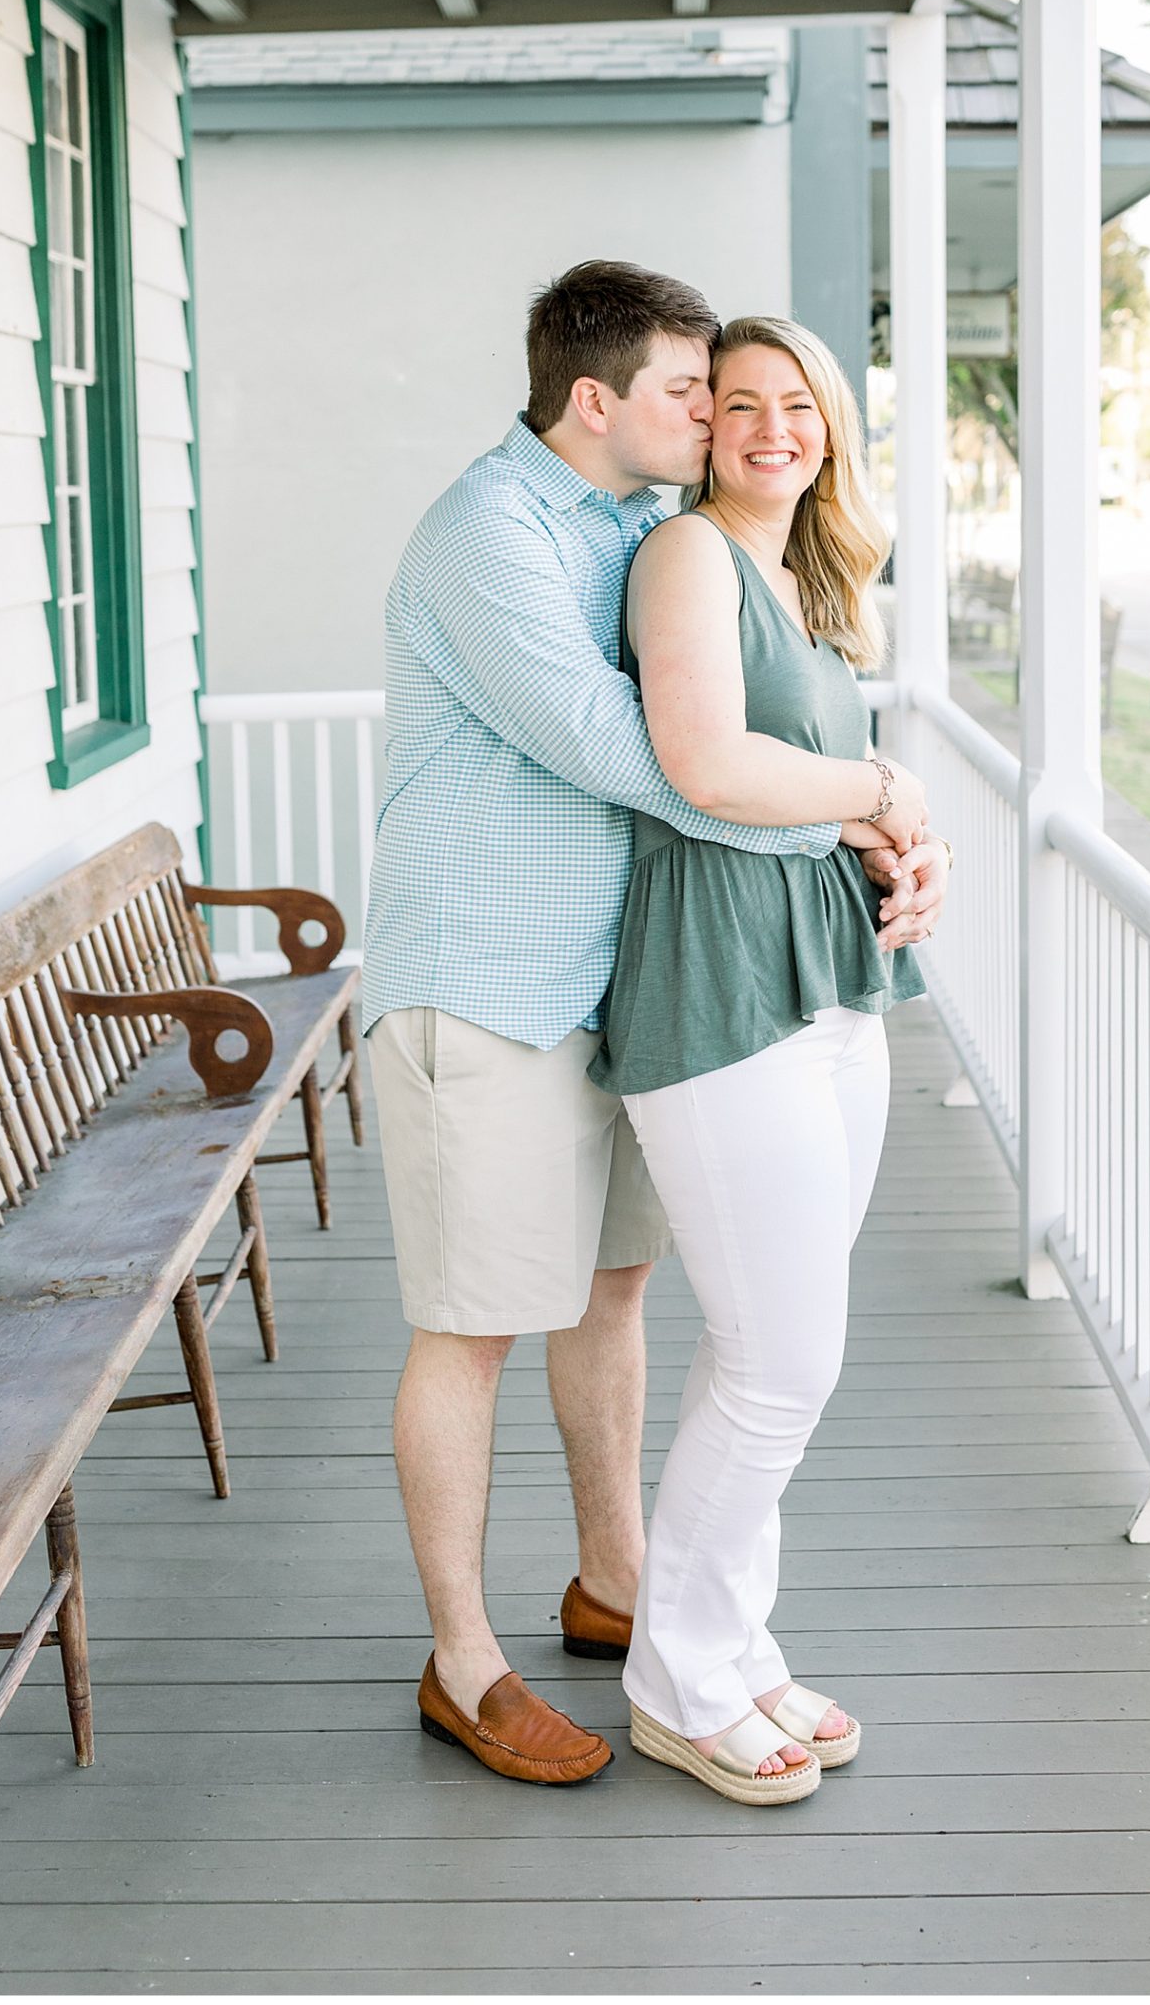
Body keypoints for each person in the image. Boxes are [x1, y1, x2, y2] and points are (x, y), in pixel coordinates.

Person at [361, 261, 947, 1787]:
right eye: (695, 391)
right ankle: (462, 1659)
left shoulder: (638, 523)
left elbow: (768, 704)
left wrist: (867, 815)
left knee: (613, 1301)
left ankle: (622, 1585)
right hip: (483, 988)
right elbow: (652, 758)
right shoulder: (485, 532)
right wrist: (861, 816)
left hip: (623, 983)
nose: (719, 417)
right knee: (472, 1328)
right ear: (594, 400)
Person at [588, 313, 947, 1806]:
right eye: (734, 403)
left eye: (794, 404)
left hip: (824, 978)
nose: (766, 428)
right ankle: (674, 1679)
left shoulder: (805, 582)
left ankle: (728, 1644)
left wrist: (905, 850)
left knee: (765, 1350)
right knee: (782, 1359)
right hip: (720, 980)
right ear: (698, 427)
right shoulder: (685, 560)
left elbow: (813, 793)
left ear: (829, 428)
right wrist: (883, 783)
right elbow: (707, 763)